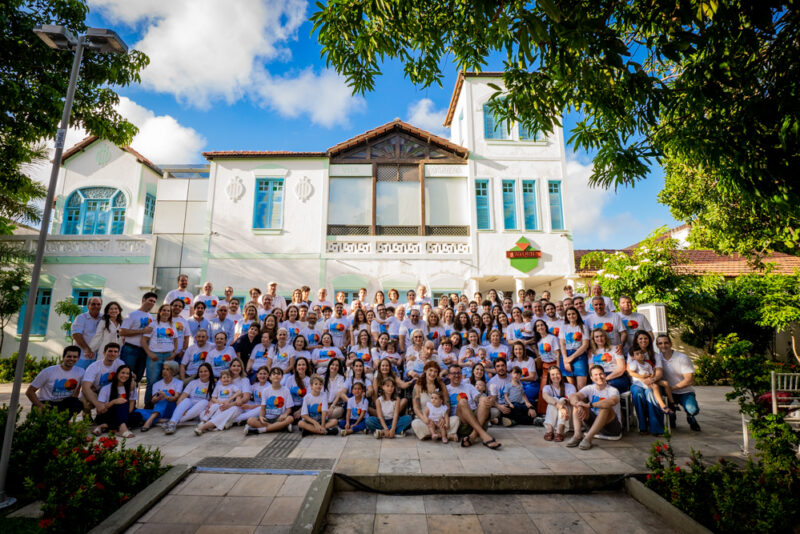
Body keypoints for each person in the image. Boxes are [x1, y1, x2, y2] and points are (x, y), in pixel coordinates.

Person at [567, 365, 622, 450]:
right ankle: (577, 435)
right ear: (591, 378)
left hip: (611, 427)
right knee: (577, 405)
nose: (599, 377)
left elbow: (612, 401)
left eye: (601, 374)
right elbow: (573, 396)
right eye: (595, 375)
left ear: (605, 375)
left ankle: (588, 439)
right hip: (594, 423)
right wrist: (578, 404)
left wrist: (590, 405)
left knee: (605, 407)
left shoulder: (613, 390)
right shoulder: (590, 388)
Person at [657, 334, 701, 431]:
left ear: (671, 344)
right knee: (670, 419)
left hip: (684, 392)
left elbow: (689, 380)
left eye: (666, 343)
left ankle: (691, 417)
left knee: (692, 409)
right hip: (668, 394)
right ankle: (672, 417)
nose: (663, 345)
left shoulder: (682, 358)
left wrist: (672, 388)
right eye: (660, 343)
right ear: (657, 346)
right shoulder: (657, 359)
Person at [26, 345, 84, 416]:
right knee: (45, 424)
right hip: (46, 402)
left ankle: (65, 421)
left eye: (75, 357)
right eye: (69, 356)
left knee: (77, 403)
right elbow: (29, 391)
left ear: (78, 359)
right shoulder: (48, 371)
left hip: (63, 403)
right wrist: (40, 405)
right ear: (63, 357)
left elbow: (78, 389)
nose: (72, 359)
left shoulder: (80, 372)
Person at [628, 346, 673, 431]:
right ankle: (662, 405)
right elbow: (632, 373)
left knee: (654, 388)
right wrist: (642, 376)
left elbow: (652, 373)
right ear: (633, 356)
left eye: (641, 353)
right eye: (637, 354)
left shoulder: (647, 364)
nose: (640, 355)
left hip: (647, 381)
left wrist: (651, 376)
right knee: (641, 392)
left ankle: (663, 407)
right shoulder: (634, 363)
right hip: (639, 383)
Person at [411, 361, 459, 440]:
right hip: (427, 421)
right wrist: (424, 419)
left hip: (441, 421)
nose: (433, 373)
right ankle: (444, 434)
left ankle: (432, 435)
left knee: (456, 419)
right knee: (415, 423)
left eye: (435, 371)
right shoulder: (418, 386)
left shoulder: (441, 385)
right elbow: (416, 407)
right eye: (430, 370)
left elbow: (447, 404)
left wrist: (444, 418)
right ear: (425, 370)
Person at [142, 304, 179, 404]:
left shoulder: (172, 325)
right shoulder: (153, 324)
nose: (166, 312)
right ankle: (148, 405)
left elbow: (175, 340)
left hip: (168, 356)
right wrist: (149, 354)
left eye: (168, 311)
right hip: (155, 356)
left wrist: (174, 352)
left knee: (166, 381)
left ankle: (163, 405)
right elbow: (143, 340)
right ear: (160, 312)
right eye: (164, 310)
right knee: (152, 382)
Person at [165, 362, 215, 434]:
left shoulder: (213, 384)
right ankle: (172, 424)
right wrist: (183, 409)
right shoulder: (193, 383)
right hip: (189, 409)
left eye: (205, 371)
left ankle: (173, 421)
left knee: (204, 402)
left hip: (200, 410)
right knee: (186, 400)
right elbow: (182, 397)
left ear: (210, 372)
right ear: (198, 373)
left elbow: (213, 400)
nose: (203, 373)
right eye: (201, 372)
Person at [119, 292, 157, 385]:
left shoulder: (151, 317)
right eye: (150, 300)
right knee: (126, 376)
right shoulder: (132, 315)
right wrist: (141, 331)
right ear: (143, 300)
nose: (152, 303)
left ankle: (132, 398)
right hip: (130, 349)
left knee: (138, 378)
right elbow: (122, 331)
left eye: (154, 302)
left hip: (144, 351)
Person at [244, 367, 294, 435]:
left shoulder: (286, 390)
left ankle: (260, 430)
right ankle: (280, 427)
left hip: (279, 418)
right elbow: (263, 408)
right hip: (267, 418)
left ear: (282, 377)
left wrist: (285, 415)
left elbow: (289, 409)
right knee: (250, 420)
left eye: (278, 374)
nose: (276, 375)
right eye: (274, 374)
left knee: (290, 418)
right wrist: (261, 416)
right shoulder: (265, 391)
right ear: (270, 377)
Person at [93, 364, 137, 438]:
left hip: (122, 414)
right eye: (123, 373)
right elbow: (99, 411)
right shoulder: (106, 388)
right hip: (107, 415)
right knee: (122, 402)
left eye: (127, 374)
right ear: (117, 374)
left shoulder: (131, 388)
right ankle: (122, 429)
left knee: (137, 416)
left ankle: (104, 426)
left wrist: (124, 415)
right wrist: (113, 402)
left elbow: (131, 406)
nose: (125, 375)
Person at [82, 342, 124, 417]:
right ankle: (87, 415)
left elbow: (131, 376)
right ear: (104, 353)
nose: (113, 354)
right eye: (110, 351)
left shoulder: (120, 363)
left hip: (110, 391)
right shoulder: (94, 366)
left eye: (115, 352)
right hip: (96, 391)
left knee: (132, 383)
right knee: (84, 397)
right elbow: (85, 387)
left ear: (118, 354)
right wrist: (97, 404)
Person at [195, 369, 242, 435]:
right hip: (218, 404)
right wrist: (219, 402)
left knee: (220, 412)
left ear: (231, 379)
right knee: (214, 406)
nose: (226, 379)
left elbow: (239, 392)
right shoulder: (218, 387)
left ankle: (208, 425)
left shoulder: (232, 386)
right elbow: (213, 398)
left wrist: (229, 400)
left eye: (228, 377)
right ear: (220, 379)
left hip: (227, 406)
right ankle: (204, 421)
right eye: (224, 377)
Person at [140, 360, 183, 432]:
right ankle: (162, 420)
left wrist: (165, 396)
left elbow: (175, 398)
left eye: (167, 369)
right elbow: (153, 401)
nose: (164, 371)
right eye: (163, 369)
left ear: (173, 371)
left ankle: (149, 421)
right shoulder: (156, 384)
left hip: (170, 409)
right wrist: (157, 399)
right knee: (137, 412)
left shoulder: (179, 383)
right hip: (158, 410)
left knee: (165, 393)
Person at [559, 306, 591, 389]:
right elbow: (562, 344)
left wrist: (571, 358)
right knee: (571, 388)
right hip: (566, 354)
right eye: (569, 314)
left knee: (581, 387)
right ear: (566, 316)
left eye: (573, 313)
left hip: (579, 355)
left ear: (577, 315)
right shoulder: (563, 327)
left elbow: (585, 345)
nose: (571, 316)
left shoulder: (583, 327)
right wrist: (566, 359)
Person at [541, 366, 576, 442]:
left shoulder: (570, 386)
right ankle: (550, 430)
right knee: (553, 400)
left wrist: (562, 403)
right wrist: (560, 407)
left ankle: (559, 431)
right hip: (555, 417)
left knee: (562, 399)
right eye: (552, 374)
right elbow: (546, 397)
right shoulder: (547, 387)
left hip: (568, 416)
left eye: (557, 374)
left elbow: (571, 399)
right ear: (549, 377)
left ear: (561, 375)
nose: (555, 376)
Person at [589, 329, 630, 393]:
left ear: (605, 337)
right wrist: (600, 378)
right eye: (596, 337)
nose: (600, 338)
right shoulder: (591, 352)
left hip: (616, 376)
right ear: (593, 339)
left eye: (602, 336)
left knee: (608, 387)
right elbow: (591, 370)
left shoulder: (615, 349)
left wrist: (606, 379)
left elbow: (621, 369)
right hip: (599, 376)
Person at [71, 296, 103, 369]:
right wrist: (87, 349)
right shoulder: (81, 318)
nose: (96, 306)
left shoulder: (104, 318)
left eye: (98, 304)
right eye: (93, 304)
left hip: (98, 357)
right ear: (88, 306)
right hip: (83, 356)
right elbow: (76, 334)